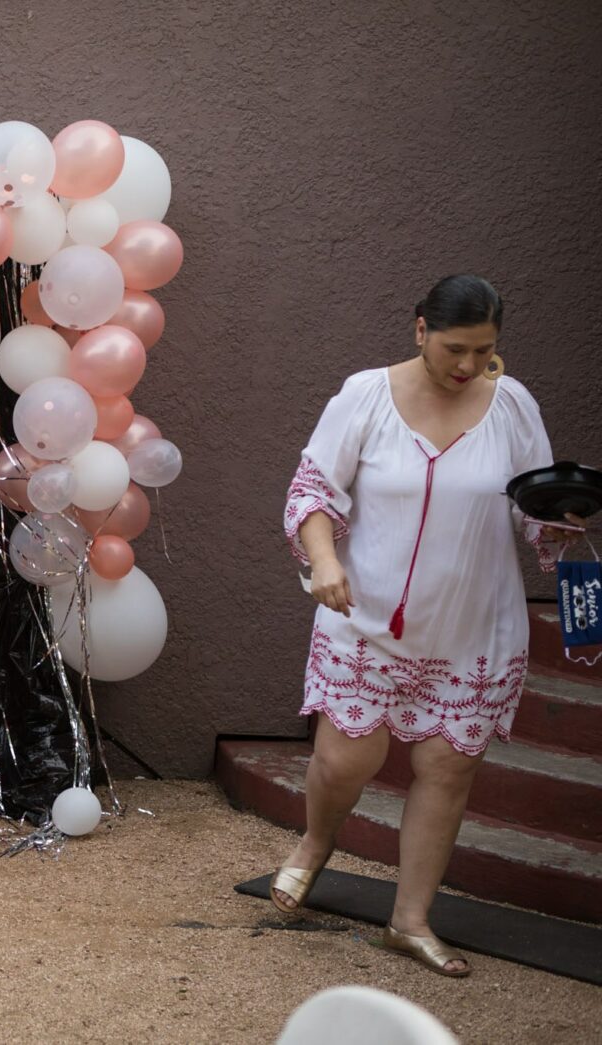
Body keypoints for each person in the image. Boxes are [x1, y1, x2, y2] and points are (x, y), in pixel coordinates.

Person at [273, 274, 580, 975]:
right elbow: (313, 490)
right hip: (365, 617)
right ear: (419, 330)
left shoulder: (513, 406)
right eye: (454, 348)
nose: (468, 365)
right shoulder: (364, 396)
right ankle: (317, 842)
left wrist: (561, 524)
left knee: (447, 771)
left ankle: (410, 921)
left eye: (484, 350)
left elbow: (536, 509)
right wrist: (323, 561)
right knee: (344, 758)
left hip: (473, 628)